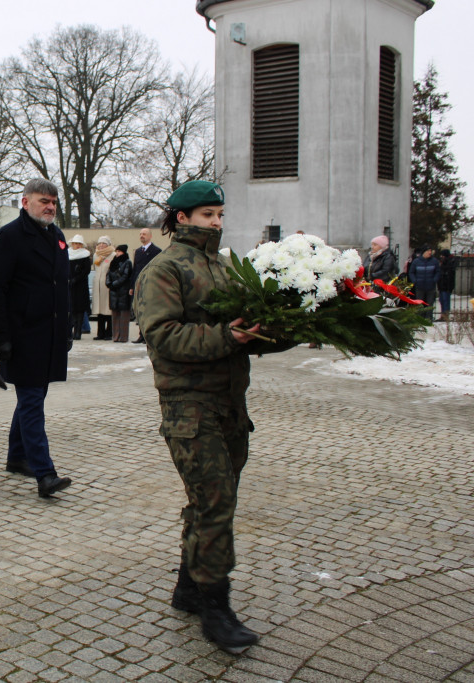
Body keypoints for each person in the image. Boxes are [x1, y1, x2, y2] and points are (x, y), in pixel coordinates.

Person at [134, 179, 294, 654]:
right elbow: (163, 337)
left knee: (209, 500)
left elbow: (250, 328)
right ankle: (215, 608)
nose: (217, 223)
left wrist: (286, 328)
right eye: (208, 215)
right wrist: (230, 337)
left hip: (230, 405)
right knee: (216, 501)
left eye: (220, 215)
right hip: (189, 406)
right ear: (182, 218)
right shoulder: (163, 271)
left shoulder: (225, 267)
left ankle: (188, 587)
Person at [0, 178, 73, 498]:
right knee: (33, 401)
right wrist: (0, 337)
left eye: (53, 202)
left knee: (33, 398)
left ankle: (17, 456)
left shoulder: (58, 236)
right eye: (43, 201)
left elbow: (61, 286)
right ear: (25, 202)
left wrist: (66, 328)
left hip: (49, 334)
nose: (50, 207)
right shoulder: (9, 237)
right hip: (22, 335)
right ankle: (45, 473)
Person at [130, 228, 162, 343]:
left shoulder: (156, 251)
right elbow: (135, 269)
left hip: (150, 284)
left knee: (149, 311)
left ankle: (148, 335)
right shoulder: (138, 251)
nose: (141, 236)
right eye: (140, 234)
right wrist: (131, 286)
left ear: (150, 236)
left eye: (144, 234)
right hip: (138, 285)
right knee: (140, 310)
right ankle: (141, 334)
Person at [106, 244, 132, 342]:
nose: (117, 253)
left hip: (123, 291)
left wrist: (115, 283)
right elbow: (108, 274)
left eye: (119, 251)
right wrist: (109, 283)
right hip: (113, 291)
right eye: (116, 251)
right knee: (115, 315)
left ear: (124, 252)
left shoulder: (127, 262)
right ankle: (115, 336)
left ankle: (123, 337)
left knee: (124, 315)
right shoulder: (113, 262)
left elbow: (125, 276)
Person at [67, 234, 92, 341]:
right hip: (69, 285)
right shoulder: (68, 254)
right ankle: (72, 331)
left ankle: (78, 331)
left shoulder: (85, 255)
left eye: (79, 244)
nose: (77, 245)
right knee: (71, 309)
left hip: (80, 285)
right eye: (75, 243)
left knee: (80, 310)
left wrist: (76, 279)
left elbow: (86, 271)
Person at [91, 236, 115, 340]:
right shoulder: (96, 255)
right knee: (99, 310)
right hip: (98, 285)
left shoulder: (113, 255)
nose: (101, 245)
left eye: (103, 243)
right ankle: (100, 333)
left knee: (107, 309)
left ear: (108, 245)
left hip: (107, 285)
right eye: (99, 243)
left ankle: (109, 332)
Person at [408, 246, 440, 322]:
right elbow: (411, 272)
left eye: (430, 251)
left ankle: (429, 318)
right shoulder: (416, 261)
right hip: (419, 285)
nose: (430, 252)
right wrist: (415, 281)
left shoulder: (434, 261)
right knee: (419, 303)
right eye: (428, 251)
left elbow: (438, 272)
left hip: (430, 285)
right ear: (423, 252)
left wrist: (434, 280)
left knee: (430, 303)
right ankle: (420, 318)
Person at [438, 249, 456, 320]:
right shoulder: (443, 262)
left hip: (447, 285)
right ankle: (443, 314)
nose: (441, 256)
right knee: (441, 300)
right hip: (441, 285)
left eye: (442, 255)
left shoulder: (450, 261)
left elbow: (450, 274)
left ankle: (445, 315)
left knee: (445, 300)